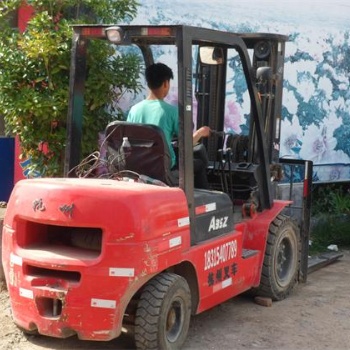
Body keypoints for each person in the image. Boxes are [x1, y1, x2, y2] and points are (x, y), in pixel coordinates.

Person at [127, 62, 211, 188]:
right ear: (166, 83)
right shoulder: (171, 112)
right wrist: (201, 133)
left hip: (139, 166)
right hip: (163, 169)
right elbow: (186, 145)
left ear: (148, 83)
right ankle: (200, 202)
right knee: (199, 163)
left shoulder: (134, 110)